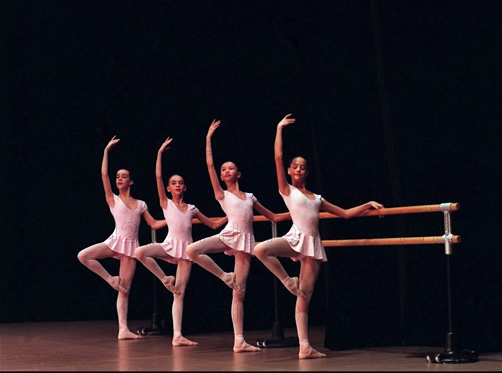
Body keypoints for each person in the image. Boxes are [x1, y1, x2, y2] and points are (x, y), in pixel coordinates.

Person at [254, 113, 384, 359]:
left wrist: (368, 204)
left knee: (305, 297)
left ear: (307, 172)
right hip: (295, 238)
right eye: (296, 166)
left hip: (312, 245)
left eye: (303, 167)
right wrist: (279, 129)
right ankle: (287, 281)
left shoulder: (318, 198)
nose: (299, 169)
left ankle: (305, 347)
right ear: (291, 172)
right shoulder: (287, 190)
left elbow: (345, 214)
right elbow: (278, 157)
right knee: (260, 249)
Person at [186, 119, 291, 353]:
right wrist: (208, 139)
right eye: (224, 170)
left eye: (230, 168)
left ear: (238, 173)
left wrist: (297, 212)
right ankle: (225, 276)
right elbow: (209, 166)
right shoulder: (221, 194)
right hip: (228, 235)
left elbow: (273, 217)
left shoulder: (250, 197)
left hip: (245, 243)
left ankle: (239, 340)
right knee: (192, 250)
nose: (225, 171)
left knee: (240, 292)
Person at [134, 136, 227, 347]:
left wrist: (232, 216)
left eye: (180, 183)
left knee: (180, 293)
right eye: (173, 183)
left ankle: (178, 335)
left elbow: (212, 225)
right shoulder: (165, 204)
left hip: (186, 252)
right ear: (168, 188)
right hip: (168, 246)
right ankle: (165, 278)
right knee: (140, 252)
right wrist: (159, 154)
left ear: (185, 187)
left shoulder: (192, 208)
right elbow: (158, 177)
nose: (177, 185)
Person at [77, 135, 167, 340]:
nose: (119, 178)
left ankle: (123, 330)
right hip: (115, 241)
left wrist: (172, 220)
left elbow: (153, 224)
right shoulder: (112, 199)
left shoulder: (141, 203)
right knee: (83, 256)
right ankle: (110, 280)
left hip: (131, 247)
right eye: (118, 176)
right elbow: (103, 175)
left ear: (131, 181)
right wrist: (106, 151)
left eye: (123, 176)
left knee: (125, 290)